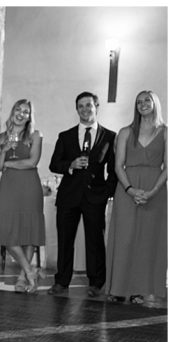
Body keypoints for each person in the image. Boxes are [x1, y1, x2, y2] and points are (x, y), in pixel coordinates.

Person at [48, 91, 116, 297]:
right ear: (76, 109)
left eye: (89, 105)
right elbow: (54, 164)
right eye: (81, 106)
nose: (85, 109)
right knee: (65, 240)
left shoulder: (110, 137)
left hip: (95, 197)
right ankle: (61, 281)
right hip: (68, 195)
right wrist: (71, 164)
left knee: (94, 241)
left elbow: (113, 170)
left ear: (97, 107)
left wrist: (106, 194)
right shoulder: (66, 136)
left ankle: (96, 283)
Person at [106, 90, 167, 306]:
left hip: (155, 191)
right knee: (125, 238)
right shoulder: (125, 132)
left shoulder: (166, 132)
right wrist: (130, 189)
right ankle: (119, 288)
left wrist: (152, 192)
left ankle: (143, 289)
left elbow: (168, 167)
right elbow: (117, 165)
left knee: (148, 240)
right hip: (126, 189)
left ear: (155, 103)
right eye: (139, 102)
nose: (142, 104)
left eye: (147, 100)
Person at [0, 99, 46, 294]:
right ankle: (30, 271)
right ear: (12, 111)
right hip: (8, 188)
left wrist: (9, 164)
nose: (21, 114)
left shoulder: (35, 136)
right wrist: (4, 152)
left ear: (30, 116)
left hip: (29, 186)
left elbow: (32, 162)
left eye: (26, 111)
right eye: (18, 109)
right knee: (6, 232)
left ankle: (23, 278)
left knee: (28, 234)